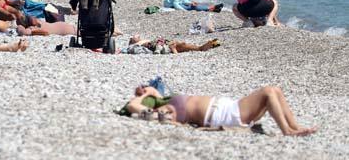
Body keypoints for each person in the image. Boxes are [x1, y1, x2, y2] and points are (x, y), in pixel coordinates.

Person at [125, 86, 317, 136]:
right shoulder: (165, 112)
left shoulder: (165, 100)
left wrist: (150, 91)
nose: (142, 90)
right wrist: (141, 97)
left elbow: (156, 94)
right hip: (225, 115)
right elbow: (132, 107)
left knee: (275, 90)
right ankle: (287, 131)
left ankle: (295, 126)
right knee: (268, 92)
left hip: (229, 107)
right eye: (140, 92)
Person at [123, 35, 221, 54]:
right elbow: (130, 47)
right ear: (133, 41)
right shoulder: (138, 43)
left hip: (164, 42)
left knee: (182, 44)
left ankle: (201, 48)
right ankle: (201, 48)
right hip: (162, 45)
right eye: (133, 38)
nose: (136, 36)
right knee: (179, 46)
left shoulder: (142, 40)